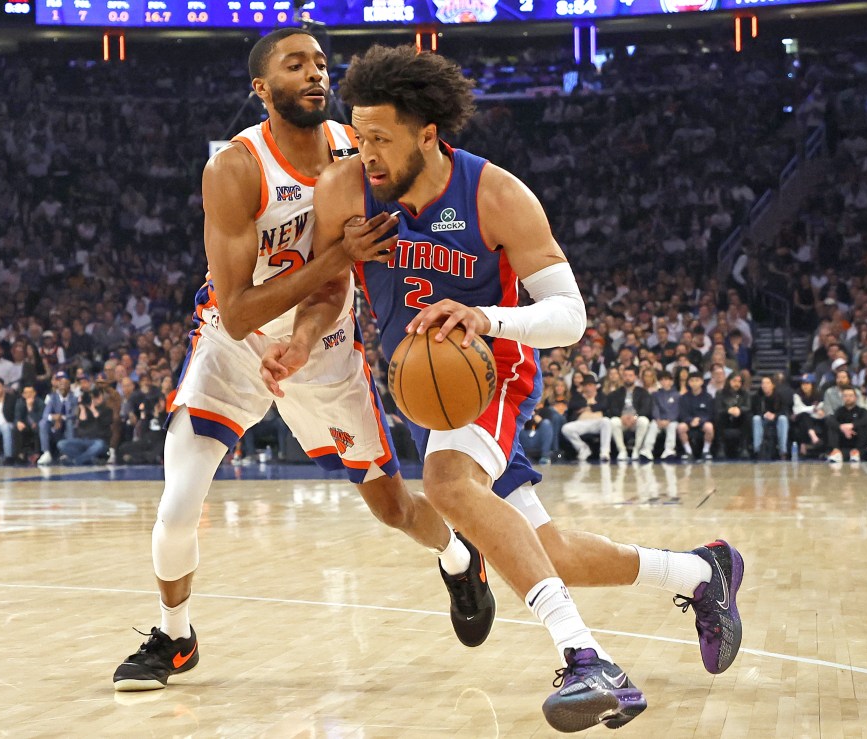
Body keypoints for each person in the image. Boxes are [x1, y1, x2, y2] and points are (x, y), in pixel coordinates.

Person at [261, 44, 744, 732]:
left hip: (490, 368)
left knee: (449, 486)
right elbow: (330, 289)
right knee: (549, 553)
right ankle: (702, 572)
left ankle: (589, 659)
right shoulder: (342, 191)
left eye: (378, 138)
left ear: (427, 134)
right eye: (357, 135)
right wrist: (302, 341)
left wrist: (486, 317)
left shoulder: (496, 194)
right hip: (424, 387)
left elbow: (570, 315)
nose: (361, 152)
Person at [113, 29, 499, 698]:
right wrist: (338, 258)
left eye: (322, 62)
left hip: (324, 347)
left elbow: (336, 281)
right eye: (296, 65)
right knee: (177, 507)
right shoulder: (235, 168)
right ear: (262, 89)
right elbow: (235, 312)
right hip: (234, 346)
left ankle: (462, 558)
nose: (317, 73)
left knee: (393, 507)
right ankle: (175, 636)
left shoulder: (357, 151)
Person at [605, 365, 653, 462]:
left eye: (630, 375)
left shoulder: (643, 392)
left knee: (644, 421)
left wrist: (635, 417)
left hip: (636, 420)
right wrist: (621, 416)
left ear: (635, 377)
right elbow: (612, 408)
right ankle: (622, 450)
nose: (628, 378)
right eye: (625, 375)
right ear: (622, 377)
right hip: (622, 420)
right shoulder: (616, 393)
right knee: (613, 421)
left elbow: (646, 409)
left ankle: (636, 449)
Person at [561, 373, 612, 462]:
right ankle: (583, 449)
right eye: (586, 385)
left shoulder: (601, 396)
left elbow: (604, 405)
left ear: (595, 386)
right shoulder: (578, 396)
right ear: (583, 387)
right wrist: (590, 405)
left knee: (606, 421)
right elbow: (573, 405)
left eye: (591, 385)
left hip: (597, 422)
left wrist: (587, 408)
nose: (588, 388)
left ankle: (605, 452)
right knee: (566, 428)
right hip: (582, 423)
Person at [57, 388, 112, 465]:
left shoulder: (107, 410)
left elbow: (104, 423)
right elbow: (82, 425)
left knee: (99, 445)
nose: (93, 400)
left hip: (98, 441)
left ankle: (77, 461)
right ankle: (89, 459)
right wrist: (82, 408)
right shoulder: (85, 411)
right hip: (83, 441)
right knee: (61, 444)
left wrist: (92, 409)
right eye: (91, 398)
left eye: (94, 397)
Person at [826, 386, 867, 463]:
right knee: (832, 425)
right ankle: (836, 451)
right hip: (843, 439)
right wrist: (841, 427)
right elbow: (830, 420)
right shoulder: (839, 411)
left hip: (858, 440)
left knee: (866, 425)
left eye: (850, 396)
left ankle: (856, 452)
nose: (848, 398)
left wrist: (852, 425)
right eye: (845, 396)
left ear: (855, 398)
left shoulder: (861, 411)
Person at [678, 373, 715, 461]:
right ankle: (688, 451)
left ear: (702, 382)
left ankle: (706, 451)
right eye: (692, 381)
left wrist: (700, 420)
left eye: (697, 380)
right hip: (689, 422)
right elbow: (682, 414)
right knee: (680, 427)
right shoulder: (684, 398)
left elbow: (711, 414)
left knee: (709, 427)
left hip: (703, 421)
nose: (694, 383)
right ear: (688, 383)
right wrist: (690, 420)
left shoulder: (708, 397)